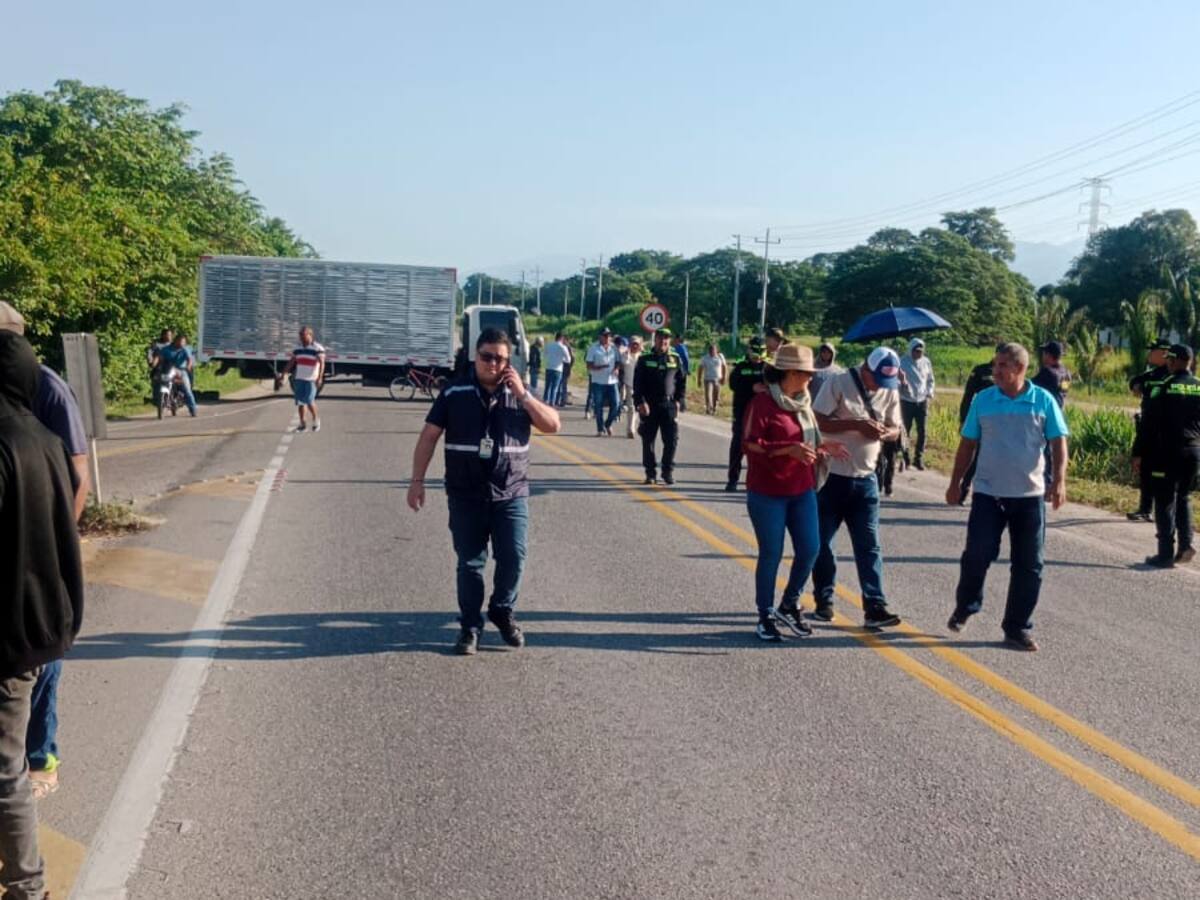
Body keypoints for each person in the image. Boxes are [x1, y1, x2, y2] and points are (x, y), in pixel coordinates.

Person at [406, 328, 561, 655]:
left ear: (509, 362)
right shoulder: (454, 392)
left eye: (500, 358)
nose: (493, 363)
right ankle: (469, 627)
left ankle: (502, 610)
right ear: (475, 357)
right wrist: (416, 481)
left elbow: (553, 425)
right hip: (466, 494)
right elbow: (428, 438)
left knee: (514, 557)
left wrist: (523, 395)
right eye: (487, 356)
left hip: (511, 492)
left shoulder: (519, 393)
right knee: (470, 563)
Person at [0, 330, 85, 900]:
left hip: (5, 631)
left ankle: (27, 888)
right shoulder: (44, 440)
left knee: (6, 771)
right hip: (40, 624)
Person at [945, 342, 1069, 652]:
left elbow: (1058, 442)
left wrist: (1061, 481)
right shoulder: (984, 400)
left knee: (1029, 565)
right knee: (977, 555)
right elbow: (967, 445)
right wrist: (955, 482)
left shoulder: (1043, 400)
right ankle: (966, 606)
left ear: (1020, 369)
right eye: (995, 364)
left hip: (1029, 496)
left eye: (1002, 365)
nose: (996, 371)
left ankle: (1017, 628)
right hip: (988, 493)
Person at [742, 344, 848, 641]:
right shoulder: (763, 404)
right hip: (767, 492)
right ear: (790, 372)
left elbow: (805, 440)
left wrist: (823, 445)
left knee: (811, 549)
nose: (811, 378)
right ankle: (765, 614)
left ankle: (789, 604)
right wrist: (786, 450)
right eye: (806, 373)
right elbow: (749, 444)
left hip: (801, 490)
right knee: (772, 554)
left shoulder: (803, 402)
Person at [810, 347, 905, 628]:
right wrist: (856, 425)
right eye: (875, 380)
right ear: (865, 369)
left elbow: (895, 428)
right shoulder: (838, 382)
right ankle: (824, 601)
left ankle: (875, 606)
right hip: (832, 477)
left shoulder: (890, 389)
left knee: (869, 546)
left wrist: (884, 433)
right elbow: (817, 419)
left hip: (866, 480)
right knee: (823, 543)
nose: (879, 387)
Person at [1133, 343, 1200, 568]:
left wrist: (1138, 453)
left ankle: (1164, 554)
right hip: (1194, 451)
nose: (1168, 362)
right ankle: (1186, 544)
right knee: (1183, 496)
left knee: (1164, 500)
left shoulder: (1162, 387)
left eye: (1170, 358)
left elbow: (1148, 426)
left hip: (1167, 452)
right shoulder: (1199, 387)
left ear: (1175, 361)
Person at [1125, 339, 1172, 522]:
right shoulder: (1154, 372)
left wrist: (1142, 386)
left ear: (1163, 353)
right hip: (1149, 430)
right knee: (1145, 469)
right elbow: (1136, 380)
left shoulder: (1170, 375)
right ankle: (1145, 508)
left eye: (1152, 351)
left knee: (1161, 474)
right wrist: (1136, 385)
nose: (1149, 354)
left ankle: (1163, 511)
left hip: (1163, 432)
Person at [633, 328, 686, 485]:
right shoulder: (644, 359)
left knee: (671, 440)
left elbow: (681, 382)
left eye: (666, 339)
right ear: (655, 340)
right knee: (648, 440)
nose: (663, 342)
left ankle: (667, 471)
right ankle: (650, 473)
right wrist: (640, 403)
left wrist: (679, 401)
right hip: (649, 405)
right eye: (661, 339)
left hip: (668, 405)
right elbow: (638, 384)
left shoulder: (675, 359)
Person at [725, 338, 768, 492]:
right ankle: (732, 480)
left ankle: (758, 482)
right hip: (742, 413)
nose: (758, 354)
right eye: (755, 350)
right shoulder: (740, 366)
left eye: (761, 350)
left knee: (761, 449)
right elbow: (733, 384)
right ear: (749, 350)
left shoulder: (769, 367)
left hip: (762, 415)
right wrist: (751, 388)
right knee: (738, 447)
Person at [956, 355, 997, 506]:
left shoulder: (1009, 373)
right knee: (974, 457)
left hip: (1000, 422)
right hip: (981, 419)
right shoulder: (980, 371)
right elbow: (968, 395)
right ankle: (963, 490)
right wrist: (963, 419)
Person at [280, 326, 325, 432]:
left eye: (303, 335)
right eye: (300, 335)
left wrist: (320, 377)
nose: (301, 337)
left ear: (310, 335)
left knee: (309, 401)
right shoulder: (297, 348)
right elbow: (292, 362)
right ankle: (302, 424)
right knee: (300, 402)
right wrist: (284, 374)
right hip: (299, 378)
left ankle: (316, 420)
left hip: (311, 379)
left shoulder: (317, 348)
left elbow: (322, 363)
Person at [899, 338, 935, 470]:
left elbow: (930, 380)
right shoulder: (902, 361)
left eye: (920, 351)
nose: (918, 353)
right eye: (916, 351)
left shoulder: (926, 362)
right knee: (905, 430)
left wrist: (929, 392)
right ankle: (905, 457)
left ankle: (918, 459)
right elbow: (897, 381)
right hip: (906, 400)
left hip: (922, 401)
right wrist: (903, 386)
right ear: (910, 350)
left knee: (922, 431)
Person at [151, 333, 198, 417]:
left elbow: (189, 360)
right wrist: (154, 364)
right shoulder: (166, 349)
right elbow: (158, 357)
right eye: (180, 341)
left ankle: (193, 409)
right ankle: (160, 401)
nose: (181, 343)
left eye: (183, 342)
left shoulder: (185, 349)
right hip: (168, 370)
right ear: (175, 341)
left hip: (181, 370)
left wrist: (188, 366)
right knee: (158, 383)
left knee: (187, 390)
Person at [585, 328, 621, 436]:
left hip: (612, 381)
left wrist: (616, 369)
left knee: (616, 404)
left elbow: (618, 361)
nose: (607, 338)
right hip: (598, 381)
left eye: (609, 336)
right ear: (599, 337)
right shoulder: (593, 348)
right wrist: (599, 367)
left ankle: (608, 424)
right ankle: (600, 428)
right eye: (605, 336)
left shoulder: (614, 348)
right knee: (599, 405)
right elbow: (588, 364)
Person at [621, 335, 643, 438]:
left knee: (638, 408)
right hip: (629, 384)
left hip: (641, 385)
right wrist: (627, 353)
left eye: (637, 344)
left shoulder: (642, 356)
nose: (635, 346)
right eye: (633, 344)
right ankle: (630, 429)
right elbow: (624, 363)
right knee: (631, 407)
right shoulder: (626, 355)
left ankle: (635, 427)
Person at [697, 343, 727, 415]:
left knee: (716, 395)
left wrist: (724, 377)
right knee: (708, 394)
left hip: (717, 379)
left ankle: (714, 408)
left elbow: (724, 367)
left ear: (716, 350)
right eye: (710, 350)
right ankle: (708, 408)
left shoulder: (720, 357)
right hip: (708, 379)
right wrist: (699, 379)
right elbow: (700, 369)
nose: (712, 351)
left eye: (713, 350)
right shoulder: (705, 358)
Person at [541, 332, 568, 405]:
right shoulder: (563, 347)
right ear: (561, 338)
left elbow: (544, 355)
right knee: (554, 387)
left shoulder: (549, 345)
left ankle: (545, 400)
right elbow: (568, 359)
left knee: (547, 386)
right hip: (558, 369)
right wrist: (562, 359)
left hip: (549, 367)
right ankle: (552, 402)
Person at [671, 334, 690, 412]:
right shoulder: (674, 347)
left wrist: (687, 369)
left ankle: (682, 406)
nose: (673, 340)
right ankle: (676, 404)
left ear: (678, 339)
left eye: (675, 339)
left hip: (681, 370)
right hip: (675, 370)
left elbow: (686, 359)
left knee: (681, 388)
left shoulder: (681, 347)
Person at [557, 337, 575, 407]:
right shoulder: (566, 347)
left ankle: (562, 400)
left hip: (565, 368)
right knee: (562, 385)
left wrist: (569, 366)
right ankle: (561, 400)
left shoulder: (566, 347)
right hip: (565, 368)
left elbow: (572, 358)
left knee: (562, 385)